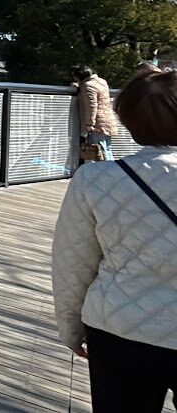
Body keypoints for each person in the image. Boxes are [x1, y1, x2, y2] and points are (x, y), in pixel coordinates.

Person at [53, 65, 177, 411]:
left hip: (119, 330)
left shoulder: (95, 179)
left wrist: (71, 329)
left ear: (127, 119)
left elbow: (72, 264)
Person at [72, 65, 119, 162]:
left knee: (99, 151)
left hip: (97, 124)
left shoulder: (88, 86)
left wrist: (90, 124)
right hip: (107, 121)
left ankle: (107, 173)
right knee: (107, 149)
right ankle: (112, 172)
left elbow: (92, 106)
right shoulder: (102, 82)